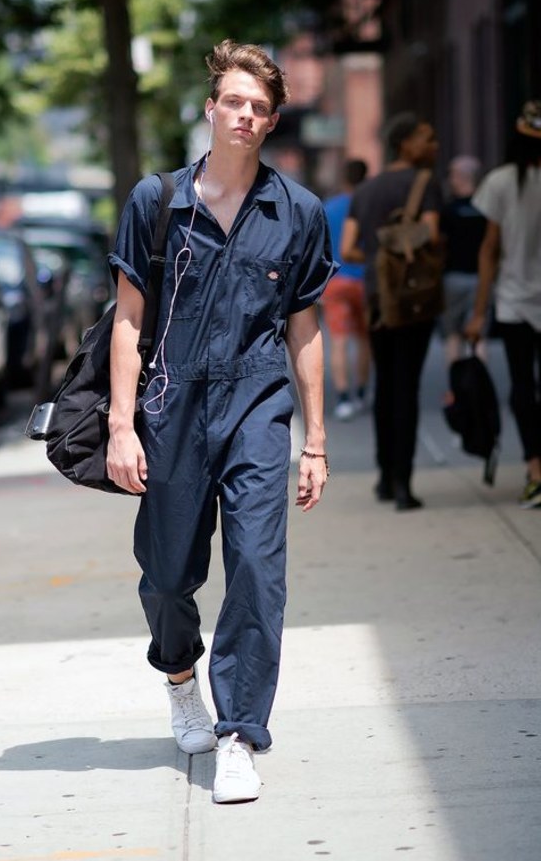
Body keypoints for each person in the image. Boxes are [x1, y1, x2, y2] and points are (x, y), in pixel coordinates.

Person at [107, 40, 335, 803]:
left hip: (259, 406)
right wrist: (120, 425)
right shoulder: (158, 201)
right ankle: (179, 676)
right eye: (232, 100)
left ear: (272, 121)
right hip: (171, 407)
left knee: (257, 573)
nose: (244, 115)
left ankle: (241, 731)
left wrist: (316, 441)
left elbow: (305, 329)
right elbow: (128, 320)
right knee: (167, 577)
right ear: (212, 107)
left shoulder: (297, 212)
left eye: (259, 107)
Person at [340, 112, 442, 511]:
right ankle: (403, 483)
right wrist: (402, 253)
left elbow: (348, 249)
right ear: (406, 144)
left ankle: (384, 477)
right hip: (414, 300)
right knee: (407, 388)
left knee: (385, 387)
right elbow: (430, 234)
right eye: (426, 137)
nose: (433, 145)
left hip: (377, 299)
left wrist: (379, 256)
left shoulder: (364, 191)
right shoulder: (424, 183)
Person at [466, 100, 541, 510]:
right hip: (522, 300)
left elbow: (489, 249)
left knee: (522, 386)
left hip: (514, 302)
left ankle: (535, 471)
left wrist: (478, 312)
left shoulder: (500, 182)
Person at [321, 159, 371, 420]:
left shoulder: (329, 207)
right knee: (364, 340)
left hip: (336, 280)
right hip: (365, 279)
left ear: (345, 179)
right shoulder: (371, 206)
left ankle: (342, 397)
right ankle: (361, 393)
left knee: (338, 341)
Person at [439, 156, 487, 364]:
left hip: (453, 277)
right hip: (482, 278)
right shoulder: (486, 208)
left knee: (453, 334)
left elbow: (439, 243)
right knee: (479, 333)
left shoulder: (448, 210)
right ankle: (480, 387)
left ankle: (455, 389)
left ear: (459, 177)